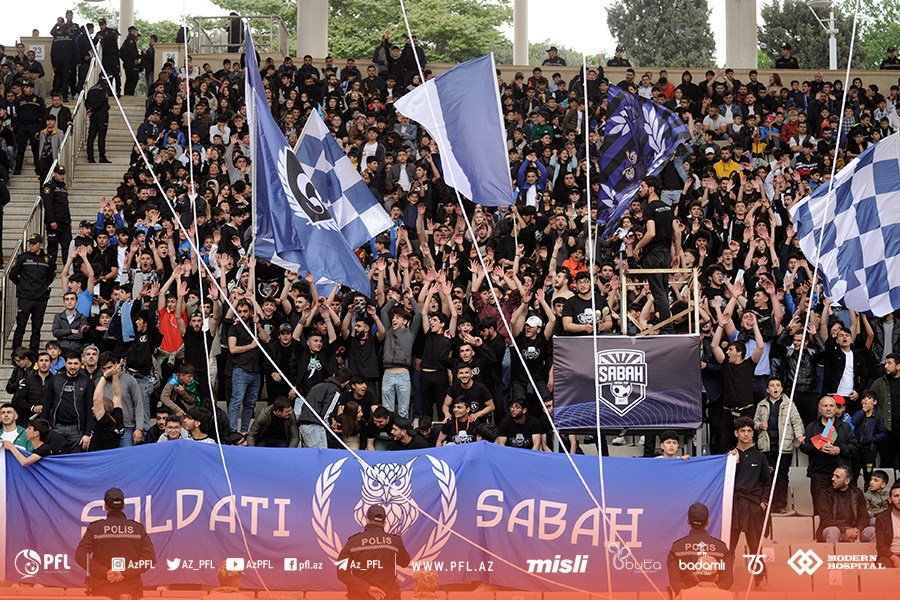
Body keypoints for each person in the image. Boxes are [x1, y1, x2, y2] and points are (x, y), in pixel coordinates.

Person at [75, 487, 155, 599]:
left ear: (105, 506)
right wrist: (124, 573)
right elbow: (149, 559)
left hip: (101, 590)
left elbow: (80, 556)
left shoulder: (95, 528)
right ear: (123, 505)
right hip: (131, 590)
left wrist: (105, 573)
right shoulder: (138, 528)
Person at [711, 311, 764, 451]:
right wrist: (720, 325)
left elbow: (760, 346)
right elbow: (714, 346)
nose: (727, 352)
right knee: (725, 445)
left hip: (746, 412)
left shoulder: (749, 364)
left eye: (730, 349)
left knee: (747, 445)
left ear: (739, 352)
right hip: (728, 413)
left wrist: (755, 325)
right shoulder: (726, 365)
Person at [729, 417, 771, 590]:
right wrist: (734, 463)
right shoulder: (730, 455)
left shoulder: (760, 457)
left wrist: (763, 502)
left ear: (753, 433)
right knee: (728, 547)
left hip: (753, 506)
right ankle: (724, 581)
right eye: (742, 431)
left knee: (755, 545)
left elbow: (766, 483)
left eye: (749, 431)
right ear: (736, 433)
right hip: (733, 505)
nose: (746, 434)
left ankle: (760, 580)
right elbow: (723, 480)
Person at [753, 376, 805, 513]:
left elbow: (796, 421)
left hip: (784, 446)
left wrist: (799, 435)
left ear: (781, 389)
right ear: (767, 389)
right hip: (766, 446)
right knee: (767, 476)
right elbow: (754, 422)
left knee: (782, 476)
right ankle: (768, 504)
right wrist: (759, 425)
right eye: (772, 385)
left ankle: (780, 505)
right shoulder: (761, 405)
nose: (775, 388)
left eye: (778, 385)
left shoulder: (789, 404)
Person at [336, 504, 410, 600]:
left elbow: (342, 573)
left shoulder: (353, 542)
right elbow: (404, 562)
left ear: (366, 520)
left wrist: (366, 588)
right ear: (384, 523)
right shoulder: (395, 541)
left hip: (360, 596)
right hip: (388, 596)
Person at [800, 395, 858, 515]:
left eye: (831, 406)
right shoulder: (812, 427)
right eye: (825, 406)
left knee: (841, 511)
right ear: (819, 408)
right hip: (819, 475)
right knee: (819, 510)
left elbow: (854, 447)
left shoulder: (845, 427)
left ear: (836, 409)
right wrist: (818, 448)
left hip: (840, 476)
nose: (828, 408)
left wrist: (839, 449)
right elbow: (804, 447)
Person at [632, 176, 674, 333]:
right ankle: (665, 322)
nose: (640, 189)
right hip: (665, 253)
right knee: (663, 290)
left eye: (642, 186)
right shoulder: (668, 208)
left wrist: (637, 247)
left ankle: (668, 327)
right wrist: (676, 253)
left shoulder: (649, 208)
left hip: (653, 254)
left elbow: (651, 233)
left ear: (651, 189)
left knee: (658, 292)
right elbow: (677, 232)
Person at [666, 502, 733, 596]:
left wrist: (689, 595)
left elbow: (675, 581)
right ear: (708, 521)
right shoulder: (721, 548)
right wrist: (713, 595)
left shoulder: (677, 547)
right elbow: (727, 580)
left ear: (688, 521)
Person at [9, 233, 55, 354]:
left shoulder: (48, 259)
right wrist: (22, 285)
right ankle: (16, 354)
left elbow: (50, 277)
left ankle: (34, 354)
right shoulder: (23, 258)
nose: (31, 246)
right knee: (20, 327)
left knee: (36, 328)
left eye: (34, 244)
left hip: (40, 299)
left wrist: (42, 288)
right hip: (25, 298)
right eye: (30, 243)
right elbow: (13, 275)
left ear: (41, 245)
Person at [42, 351, 96, 452]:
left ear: (81, 364)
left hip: (77, 429)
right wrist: (43, 428)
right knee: (55, 457)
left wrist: (87, 433)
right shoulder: (55, 379)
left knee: (76, 459)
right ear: (65, 364)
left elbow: (90, 409)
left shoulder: (87, 382)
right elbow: (47, 405)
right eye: (70, 363)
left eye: (76, 363)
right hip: (56, 427)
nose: (72, 366)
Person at [817, 465, 875, 543]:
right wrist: (845, 530)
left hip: (854, 529)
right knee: (833, 531)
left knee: (872, 531)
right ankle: (832, 551)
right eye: (833, 475)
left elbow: (864, 516)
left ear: (847, 481)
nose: (833, 478)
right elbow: (826, 519)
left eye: (837, 477)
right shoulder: (826, 493)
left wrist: (858, 529)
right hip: (836, 529)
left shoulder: (857, 493)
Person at [297, 367, 350, 449]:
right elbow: (326, 413)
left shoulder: (318, 386)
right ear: (347, 382)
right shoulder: (335, 390)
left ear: (334, 375)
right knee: (320, 455)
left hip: (303, 424)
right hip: (315, 426)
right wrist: (331, 425)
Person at [89, 361, 125, 451]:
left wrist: (104, 376)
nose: (92, 408)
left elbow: (97, 400)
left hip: (99, 457)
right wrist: (115, 374)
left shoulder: (105, 423)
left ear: (103, 411)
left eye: (94, 407)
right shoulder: (117, 419)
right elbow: (117, 395)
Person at [43, 164, 72, 265]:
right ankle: (51, 268)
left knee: (67, 246)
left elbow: (65, 205)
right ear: (54, 174)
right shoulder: (49, 186)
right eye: (60, 174)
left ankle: (66, 267)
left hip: (64, 222)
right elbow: (48, 204)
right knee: (53, 247)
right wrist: (51, 220)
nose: (62, 176)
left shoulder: (63, 186)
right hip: (54, 222)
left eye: (63, 174)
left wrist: (69, 221)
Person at [875, 481, 900, 567]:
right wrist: (895, 558)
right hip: (889, 556)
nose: (899, 499)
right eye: (896, 496)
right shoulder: (882, 518)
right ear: (890, 500)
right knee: (883, 564)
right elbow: (881, 546)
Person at [85, 80, 110, 163]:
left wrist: (89, 109)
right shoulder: (104, 88)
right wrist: (93, 109)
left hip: (93, 116)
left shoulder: (91, 88)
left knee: (91, 137)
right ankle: (102, 157)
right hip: (102, 115)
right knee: (101, 137)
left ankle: (90, 157)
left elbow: (86, 101)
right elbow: (102, 100)